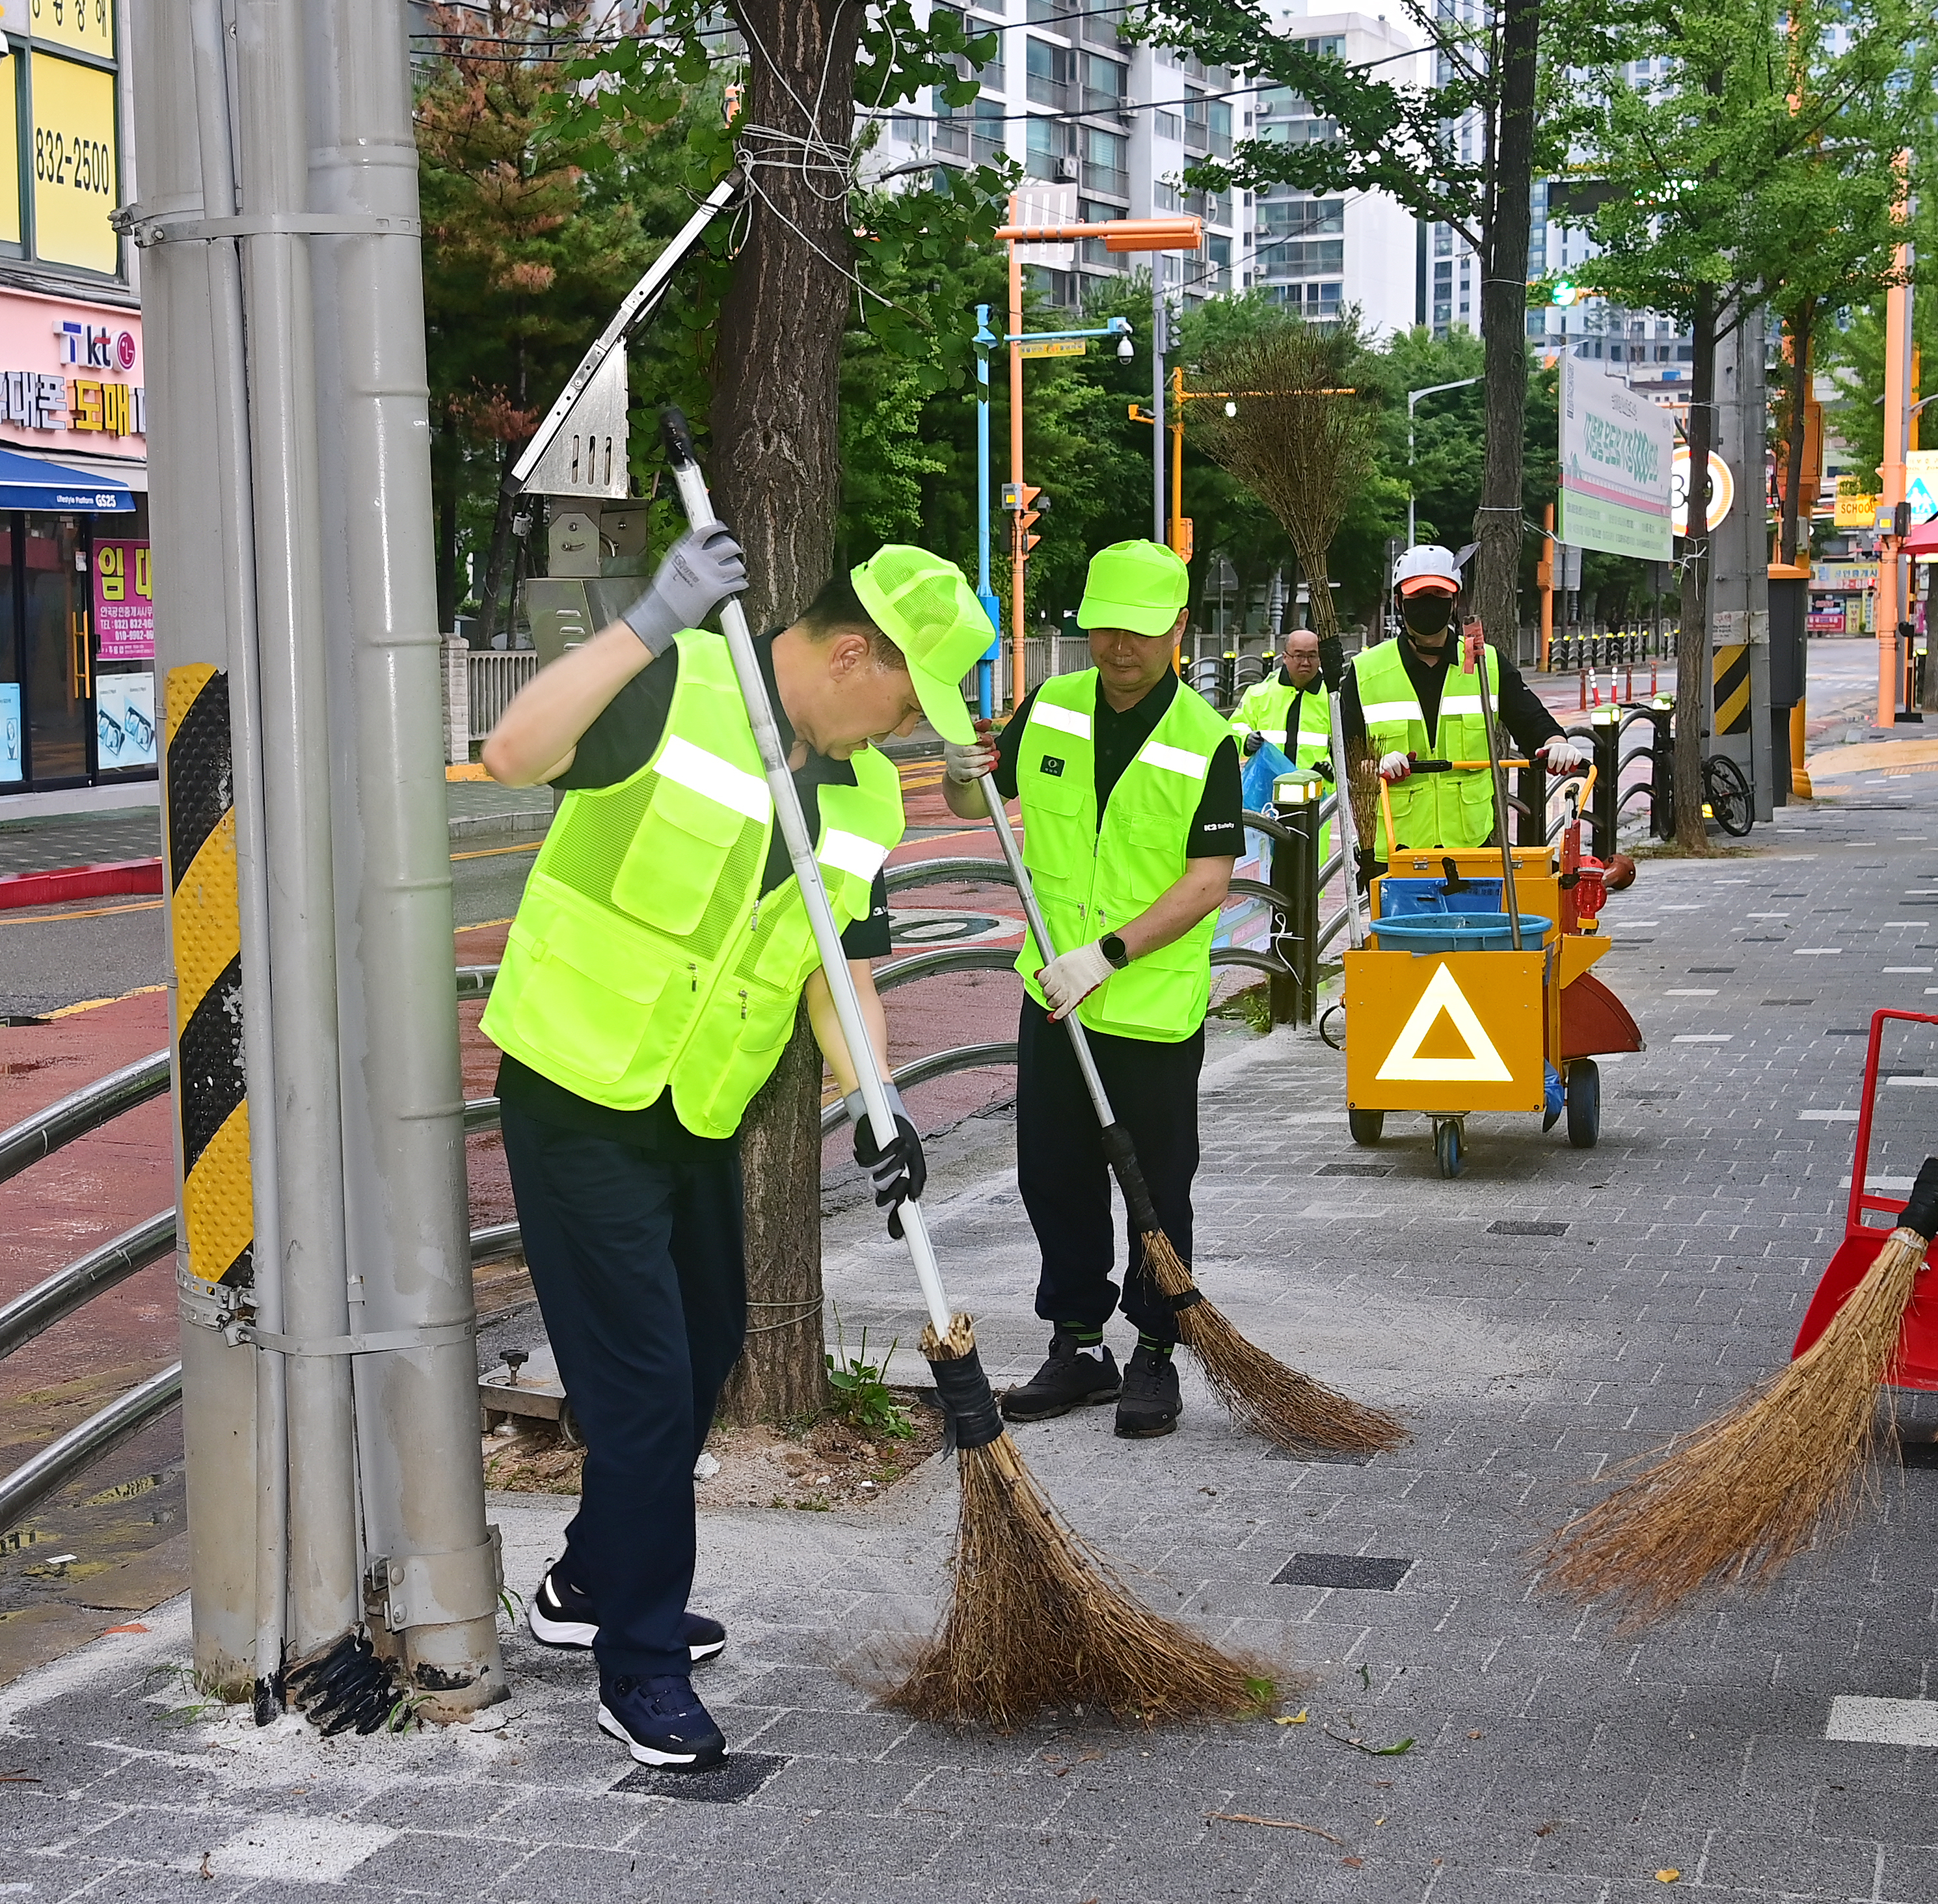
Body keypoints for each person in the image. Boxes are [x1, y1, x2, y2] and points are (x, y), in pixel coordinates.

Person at [478, 528, 991, 1768]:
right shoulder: (675, 681)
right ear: (852, 651)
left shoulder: (862, 793)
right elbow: (511, 752)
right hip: (578, 1083)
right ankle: (638, 1667)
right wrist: (647, 620)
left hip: (694, 1109)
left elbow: (838, 968)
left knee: (705, 1356)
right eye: (903, 700)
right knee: (645, 1394)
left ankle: (590, 1582)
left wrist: (882, 1099)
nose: (904, 732)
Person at [941, 540, 1241, 1440]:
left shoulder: (1206, 742)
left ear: (1179, 628)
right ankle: (1078, 1343)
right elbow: (980, 805)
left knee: (1157, 1187)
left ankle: (1156, 1350)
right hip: (1054, 1001)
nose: (1118, 648)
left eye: (1140, 632)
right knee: (1055, 1177)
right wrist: (963, 775)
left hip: (1146, 1006)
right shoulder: (1050, 708)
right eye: (1105, 627)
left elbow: (1207, 880)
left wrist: (1109, 953)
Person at [1337, 545, 1584, 857]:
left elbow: (1531, 719)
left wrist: (1556, 741)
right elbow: (1345, 752)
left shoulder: (1486, 664)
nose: (1429, 606)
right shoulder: (1366, 671)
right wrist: (1370, 766)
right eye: (1417, 598)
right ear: (1399, 602)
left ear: (1454, 601)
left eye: (1439, 597)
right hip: (1395, 852)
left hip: (1473, 847)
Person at [1231, 628, 1333, 772]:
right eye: (1299, 656)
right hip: (1267, 785)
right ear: (1285, 657)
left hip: (1316, 788)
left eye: (1312, 656)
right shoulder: (1259, 694)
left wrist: (1329, 769)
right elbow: (1235, 728)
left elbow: (1345, 747)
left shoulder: (1332, 699)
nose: (1306, 662)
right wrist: (1246, 740)